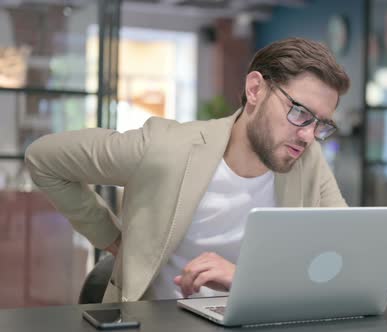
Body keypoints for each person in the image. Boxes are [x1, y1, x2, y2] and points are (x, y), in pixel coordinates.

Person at [25, 37, 350, 303]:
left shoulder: (309, 160)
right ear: (255, 90)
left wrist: (244, 279)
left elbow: (341, 258)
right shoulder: (166, 148)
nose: (308, 135)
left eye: (321, 124)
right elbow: (44, 159)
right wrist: (112, 239)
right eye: (300, 113)